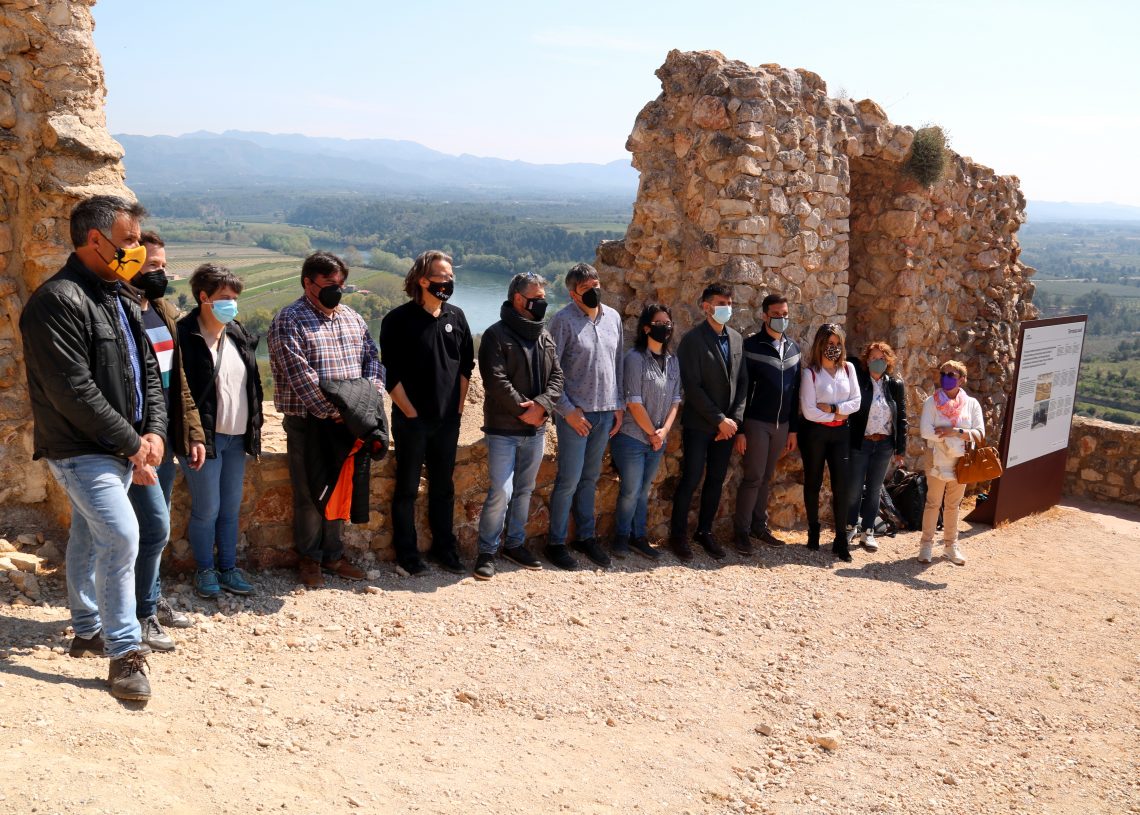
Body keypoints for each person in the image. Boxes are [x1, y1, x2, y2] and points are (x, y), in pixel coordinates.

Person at [19, 194, 165, 701]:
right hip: (81, 447)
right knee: (123, 535)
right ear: (96, 240)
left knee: (89, 532)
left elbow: (148, 370)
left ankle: (86, 628)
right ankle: (124, 653)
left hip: (124, 444)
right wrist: (134, 445)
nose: (138, 252)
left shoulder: (120, 295)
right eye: (129, 242)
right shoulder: (56, 301)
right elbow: (73, 391)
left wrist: (157, 432)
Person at [268, 251, 379, 587]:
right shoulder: (289, 320)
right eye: (330, 284)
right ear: (308, 283)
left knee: (340, 490)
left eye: (341, 284)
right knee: (309, 494)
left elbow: (373, 359)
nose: (338, 290)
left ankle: (333, 555)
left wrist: (365, 402)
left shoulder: (352, 318)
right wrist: (336, 412)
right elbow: (301, 378)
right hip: (310, 422)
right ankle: (309, 559)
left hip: (349, 422)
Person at [126, 232, 205, 650]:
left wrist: (190, 431)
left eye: (163, 264)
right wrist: (136, 447)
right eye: (153, 265)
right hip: (135, 442)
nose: (162, 272)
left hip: (166, 438)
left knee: (153, 525)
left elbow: (179, 381)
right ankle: (140, 613)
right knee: (154, 527)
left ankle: (150, 601)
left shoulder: (162, 309)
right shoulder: (119, 313)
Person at [380, 250, 475, 576]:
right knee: (407, 488)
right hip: (412, 422)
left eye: (450, 277)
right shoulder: (397, 320)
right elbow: (388, 374)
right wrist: (410, 413)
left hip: (448, 420)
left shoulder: (457, 318)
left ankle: (444, 548)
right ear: (422, 280)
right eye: (442, 277)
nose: (448, 282)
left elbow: (465, 367)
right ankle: (407, 554)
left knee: (443, 488)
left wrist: (458, 410)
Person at [177, 263, 263, 599]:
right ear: (203, 297)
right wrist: (193, 435)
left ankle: (228, 568)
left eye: (235, 298)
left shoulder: (236, 332)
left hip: (236, 437)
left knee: (230, 508)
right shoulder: (185, 335)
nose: (232, 304)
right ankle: (205, 570)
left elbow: (250, 385)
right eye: (225, 297)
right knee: (207, 508)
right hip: (204, 439)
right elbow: (179, 393)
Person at [473, 273, 564, 580]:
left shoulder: (544, 335)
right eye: (536, 299)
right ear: (518, 300)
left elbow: (558, 377)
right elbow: (495, 380)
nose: (542, 304)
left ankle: (514, 544)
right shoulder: (496, 335)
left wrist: (542, 407)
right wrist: (524, 410)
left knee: (524, 490)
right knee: (501, 490)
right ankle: (486, 551)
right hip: (503, 429)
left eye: (543, 298)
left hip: (535, 429)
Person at [545, 262, 625, 570]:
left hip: (605, 413)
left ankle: (585, 538)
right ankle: (555, 543)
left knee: (590, 479)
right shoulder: (562, 321)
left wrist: (617, 405)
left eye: (596, 285)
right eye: (586, 289)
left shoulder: (613, 318)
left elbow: (616, 363)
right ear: (572, 294)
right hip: (575, 416)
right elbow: (551, 372)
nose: (594, 292)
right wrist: (568, 412)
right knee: (568, 480)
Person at [669, 283, 747, 561]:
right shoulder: (692, 341)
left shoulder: (737, 339)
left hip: (727, 429)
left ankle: (705, 531)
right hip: (700, 425)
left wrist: (734, 421)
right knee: (690, 479)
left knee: (715, 480)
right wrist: (718, 420)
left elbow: (742, 383)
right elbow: (692, 386)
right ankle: (677, 536)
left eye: (729, 302)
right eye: (720, 302)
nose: (726, 307)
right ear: (705, 306)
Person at [610, 304, 681, 561]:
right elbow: (633, 402)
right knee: (630, 489)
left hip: (657, 440)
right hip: (632, 437)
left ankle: (638, 537)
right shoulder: (635, 359)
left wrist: (663, 433)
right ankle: (621, 537)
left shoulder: (673, 361)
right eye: (660, 323)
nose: (666, 327)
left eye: (668, 322)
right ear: (647, 328)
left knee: (643, 491)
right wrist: (653, 433)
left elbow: (675, 399)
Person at [733, 293, 800, 554]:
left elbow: (795, 393)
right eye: (776, 314)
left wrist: (793, 428)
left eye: (785, 314)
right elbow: (742, 390)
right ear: (764, 315)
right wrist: (740, 429)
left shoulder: (794, 349)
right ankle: (741, 532)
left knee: (766, 477)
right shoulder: (752, 347)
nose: (781, 319)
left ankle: (759, 527)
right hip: (756, 423)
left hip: (782, 426)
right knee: (753, 477)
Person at [798, 324, 861, 562]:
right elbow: (809, 411)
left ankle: (841, 539)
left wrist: (835, 409)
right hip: (814, 434)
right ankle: (813, 531)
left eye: (837, 344)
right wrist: (837, 415)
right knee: (813, 481)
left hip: (841, 435)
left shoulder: (849, 369)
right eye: (828, 344)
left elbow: (856, 402)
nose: (833, 349)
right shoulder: (810, 373)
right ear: (819, 345)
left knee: (841, 486)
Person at [918, 360, 984, 566]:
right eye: (943, 373)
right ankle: (926, 545)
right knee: (933, 503)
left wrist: (953, 432)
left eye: (952, 374)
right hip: (937, 459)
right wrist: (956, 437)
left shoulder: (971, 404)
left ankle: (950, 546)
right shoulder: (931, 402)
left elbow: (979, 434)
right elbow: (925, 431)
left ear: (962, 380)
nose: (946, 377)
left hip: (961, 462)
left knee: (953, 505)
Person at [846, 341, 908, 552]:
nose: (877, 362)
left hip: (884, 445)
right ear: (867, 360)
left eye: (881, 358)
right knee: (854, 489)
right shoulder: (860, 381)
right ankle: (850, 526)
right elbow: (849, 361)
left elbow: (902, 419)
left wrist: (900, 450)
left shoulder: (895, 385)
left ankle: (868, 531)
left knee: (874, 490)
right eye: (872, 358)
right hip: (861, 443)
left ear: (888, 361)